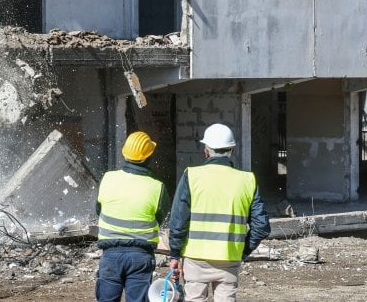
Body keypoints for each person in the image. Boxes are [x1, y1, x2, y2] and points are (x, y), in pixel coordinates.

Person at [167, 123, 270, 302]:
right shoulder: (247, 180)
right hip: (229, 258)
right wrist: (243, 251)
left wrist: (175, 254)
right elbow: (261, 225)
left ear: (206, 151)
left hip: (195, 257)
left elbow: (178, 221)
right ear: (232, 150)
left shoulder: (191, 175)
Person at [95, 131, 170, 302]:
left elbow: (99, 210)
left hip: (111, 254)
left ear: (125, 153)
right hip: (140, 256)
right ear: (148, 157)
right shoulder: (157, 187)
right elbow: (160, 216)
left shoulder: (108, 178)